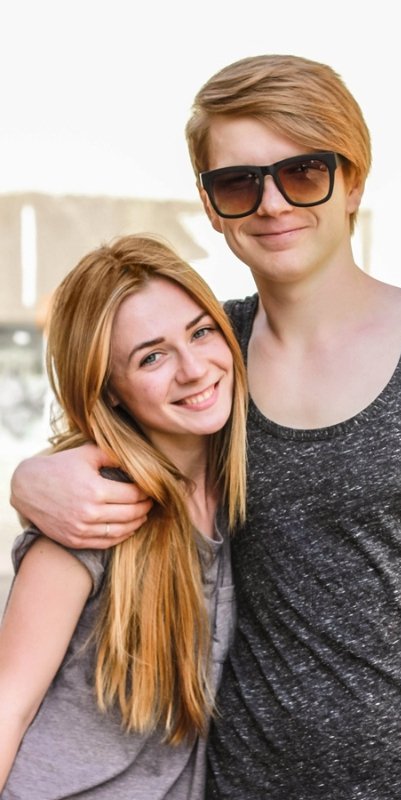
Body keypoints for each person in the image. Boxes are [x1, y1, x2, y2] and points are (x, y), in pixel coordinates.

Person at [10, 54, 401, 798]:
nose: (273, 204)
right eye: (238, 183)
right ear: (211, 204)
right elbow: (110, 439)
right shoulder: (210, 357)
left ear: (352, 179)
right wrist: (30, 479)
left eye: (303, 172)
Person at [1, 234, 247, 798]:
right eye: (151, 357)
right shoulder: (90, 514)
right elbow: (8, 704)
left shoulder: (245, 486)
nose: (194, 369)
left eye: (200, 332)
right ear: (110, 390)